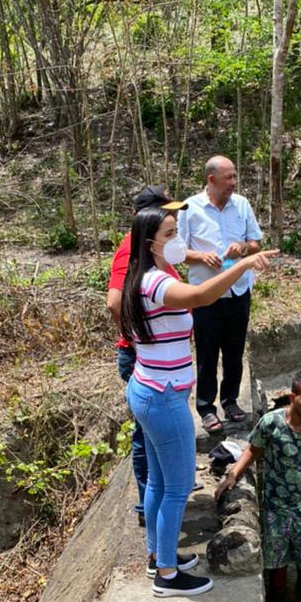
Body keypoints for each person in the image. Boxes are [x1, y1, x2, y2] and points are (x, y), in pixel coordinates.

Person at [121, 206, 278, 597]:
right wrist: (242, 266)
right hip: (164, 396)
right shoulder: (155, 282)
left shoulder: (141, 277)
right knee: (176, 487)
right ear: (150, 242)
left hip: (150, 387)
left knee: (158, 481)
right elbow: (202, 295)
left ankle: (158, 556)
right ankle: (168, 576)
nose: (178, 241)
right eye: (171, 234)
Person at [214, 369, 301, 598]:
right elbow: (253, 450)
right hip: (276, 507)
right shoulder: (271, 423)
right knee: (276, 568)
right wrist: (233, 474)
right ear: (292, 398)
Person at [107, 185, 186, 527]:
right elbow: (114, 302)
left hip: (159, 363)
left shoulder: (156, 252)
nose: (174, 220)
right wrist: (142, 340)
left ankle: (154, 508)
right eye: (168, 217)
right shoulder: (130, 252)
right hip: (144, 361)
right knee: (145, 439)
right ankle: (147, 509)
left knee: (153, 443)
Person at [176, 155, 262, 433]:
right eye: (229, 178)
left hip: (238, 291)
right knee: (207, 353)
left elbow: (256, 244)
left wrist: (242, 248)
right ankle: (205, 407)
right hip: (205, 296)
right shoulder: (189, 208)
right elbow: (177, 252)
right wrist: (201, 256)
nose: (234, 183)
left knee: (235, 351)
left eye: (235, 177)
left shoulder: (242, 205)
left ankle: (230, 401)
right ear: (211, 180)